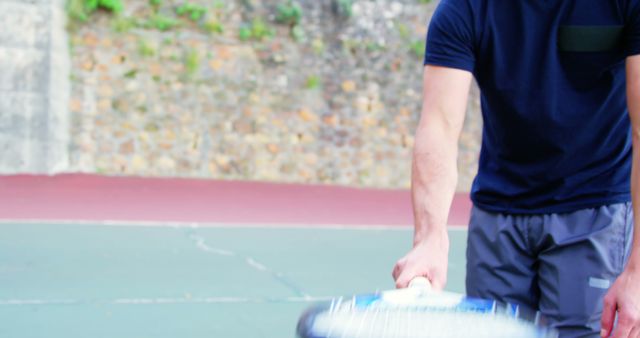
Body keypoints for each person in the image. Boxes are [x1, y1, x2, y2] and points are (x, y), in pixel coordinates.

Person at [391, 1, 640, 337]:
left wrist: (637, 271)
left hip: (597, 209)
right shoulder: (463, 9)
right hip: (497, 214)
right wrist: (429, 236)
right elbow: (439, 126)